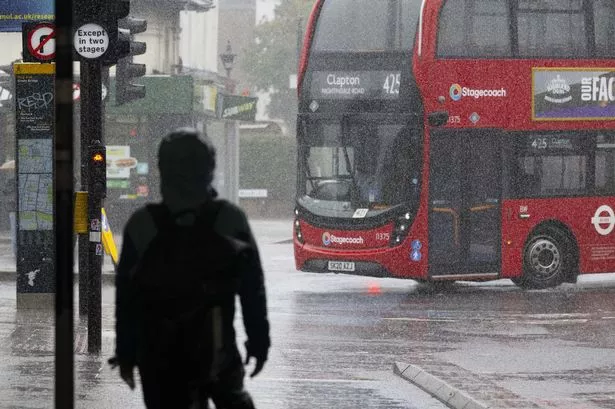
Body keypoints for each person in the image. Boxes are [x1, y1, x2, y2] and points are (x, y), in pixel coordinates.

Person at [113, 127, 270, 409]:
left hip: (159, 356)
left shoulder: (142, 224)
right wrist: (258, 343)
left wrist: (126, 353)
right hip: (216, 352)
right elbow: (252, 290)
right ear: (208, 170)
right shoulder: (229, 219)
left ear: (163, 171)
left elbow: (127, 297)